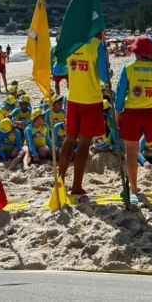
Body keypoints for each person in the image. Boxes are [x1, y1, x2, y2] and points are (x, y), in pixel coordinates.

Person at [115, 35, 152, 193]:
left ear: (136, 52)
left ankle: (134, 188)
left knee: (131, 152)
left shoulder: (128, 68)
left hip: (132, 113)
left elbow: (120, 95)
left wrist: (117, 113)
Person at [60, 34, 109, 195]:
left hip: (73, 98)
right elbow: (104, 76)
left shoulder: (71, 42)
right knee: (84, 143)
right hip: (90, 99)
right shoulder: (97, 44)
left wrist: (74, 69)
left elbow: (57, 69)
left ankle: (60, 182)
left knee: (69, 140)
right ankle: (76, 187)